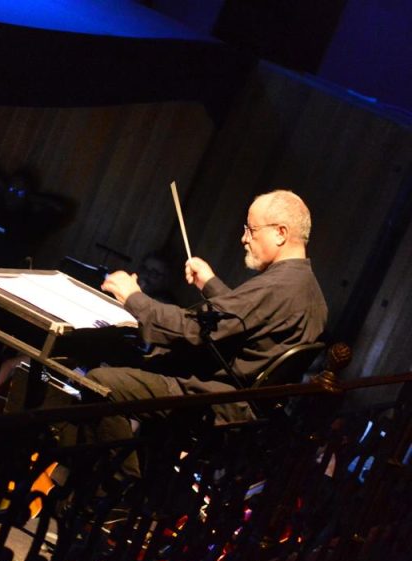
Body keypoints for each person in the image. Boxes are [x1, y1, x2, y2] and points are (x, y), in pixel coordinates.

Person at [86, 189, 328, 479]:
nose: (244, 239)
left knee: (99, 383)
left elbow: (193, 329)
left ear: (280, 233)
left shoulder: (276, 287)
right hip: (243, 407)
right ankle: (144, 485)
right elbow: (250, 323)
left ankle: (123, 490)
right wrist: (210, 284)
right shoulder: (310, 292)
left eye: (251, 230)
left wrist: (134, 298)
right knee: (149, 365)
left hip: (215, 403)